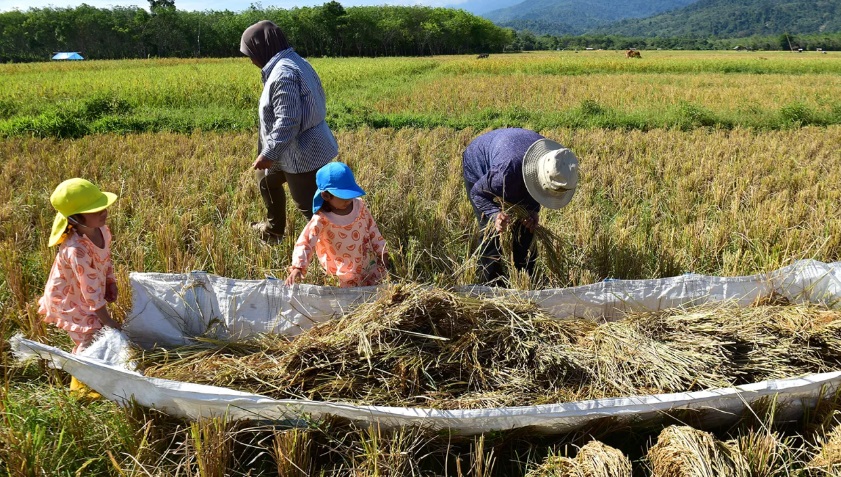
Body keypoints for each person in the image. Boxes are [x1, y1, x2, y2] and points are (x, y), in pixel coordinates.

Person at [240, 20, 339, 244]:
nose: (251, 60)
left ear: (262, 49)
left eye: (250, 54)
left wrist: (269, 153)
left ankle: (336, 251)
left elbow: (288, 120)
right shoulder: (294, 62)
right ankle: (274, 231)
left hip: (301, 154)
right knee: (265, 180)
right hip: (291, 150)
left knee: (309, 208)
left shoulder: (283, 73)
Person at [462, 128, 579, 286]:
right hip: (480, 162)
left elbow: (539, 188)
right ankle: (490, 283)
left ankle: (526, 278)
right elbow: (478, 193)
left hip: (514, 157)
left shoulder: (557, 164)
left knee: (526, 226)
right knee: (492, 231)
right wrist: (495, 214)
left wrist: (533, 210)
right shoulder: (505, 174)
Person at [39, 178, 122, 396]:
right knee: (90, 337)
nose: (103, 211)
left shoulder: (102, 230)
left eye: (102, 205)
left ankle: (96, 377)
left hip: (86, 293)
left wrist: (110, 281)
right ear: (75, 219)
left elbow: (106, 260)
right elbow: (90, 293)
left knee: (98, 330)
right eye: (94, 210)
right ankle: (81, 389)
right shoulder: (76, 250)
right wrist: (108, 321)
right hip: (70, 299)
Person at [285, 162, 388, 288]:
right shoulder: (321, 219)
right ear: (326, 195)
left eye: (351, 196)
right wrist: (298, 267)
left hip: (368, 265)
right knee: (351, 302)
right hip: (343, 274)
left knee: (376, 294)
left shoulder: (359, 206)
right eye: (343, 198)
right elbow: (306, 242)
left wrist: (382, 251)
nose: (349, 201)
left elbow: (373, 229)